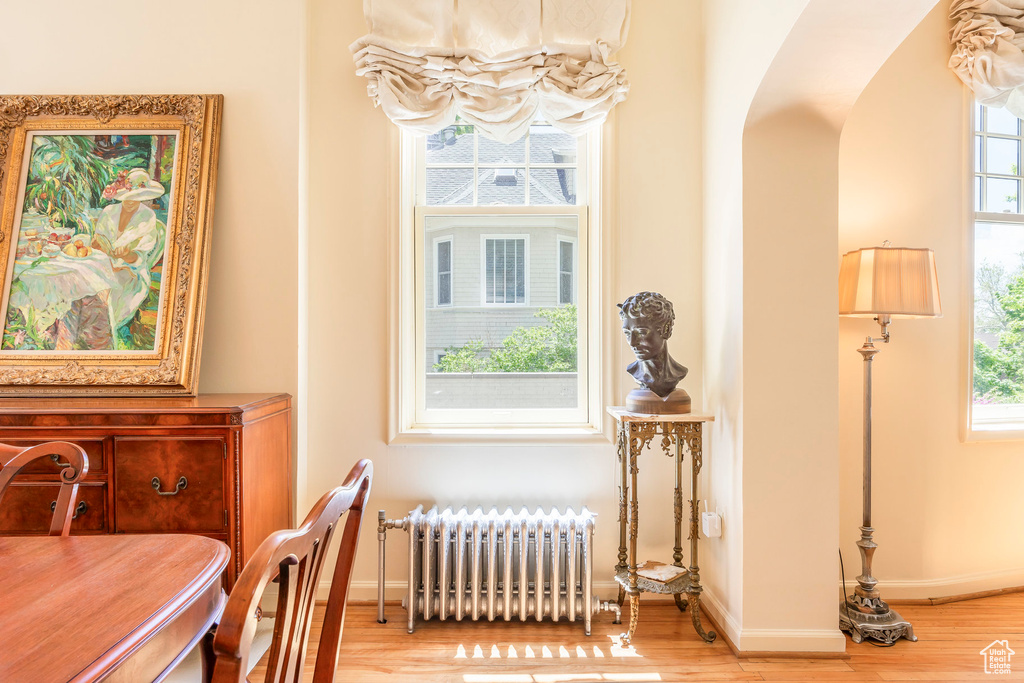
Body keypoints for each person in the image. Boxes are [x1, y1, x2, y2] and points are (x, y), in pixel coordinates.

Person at [618, 291, 688, 398]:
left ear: (666, 329)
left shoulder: (678, 372)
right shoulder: (634, 371)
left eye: (641, 332)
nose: (632, 342)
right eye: (627, 333)